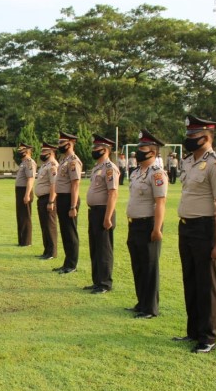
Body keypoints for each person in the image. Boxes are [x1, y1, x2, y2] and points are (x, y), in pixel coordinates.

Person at [174, 115, 216, 354]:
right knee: (191, 280)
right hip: (185, 227)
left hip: (204, 228)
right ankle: (193, 331)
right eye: (187, 136)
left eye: (193, 136)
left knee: (207, 283)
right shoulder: (189, 162)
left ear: (206, 137)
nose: (188, 140)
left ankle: (208, 337)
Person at [126, 130, 168, 318]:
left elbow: (161, 202)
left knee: (150, 266)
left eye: (142, 148)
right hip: (134, 224)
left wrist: (157, 228)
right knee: (138, 265)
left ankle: (150, 308)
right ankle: (141, 302)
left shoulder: (157, 174)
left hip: (148, 224)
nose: (138, 152)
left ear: (152, 152)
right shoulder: (136, 173)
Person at [84, 135, 119, 294]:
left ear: (105, 150)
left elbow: (113, 193)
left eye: (96, 149)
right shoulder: (98, 167)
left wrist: (107, 217)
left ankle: (105, 283)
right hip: (94, 211)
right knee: (95, 247)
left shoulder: (110, 168)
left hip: (104, 211)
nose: (93, 151)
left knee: (104, 248)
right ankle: (97, 281)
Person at [53, 132, 82, 274]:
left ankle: (72, 264)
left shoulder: (73, 161)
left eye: (61, 143)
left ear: (69, 143)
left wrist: (73, 205)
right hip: (62, 198)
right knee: (65, 232)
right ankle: (67, 262)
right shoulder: (64, 160)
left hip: (70, 199)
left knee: (70, 232)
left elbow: (75, 184)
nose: (59, 146)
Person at [34, 142, 58, 259]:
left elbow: (54, 184)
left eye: (44, 152)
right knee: (44, 226)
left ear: (51, 152)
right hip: (41, 199)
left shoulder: (53, 165)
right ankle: (46, 250)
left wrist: (51, 201)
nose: (42, 154)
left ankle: (52, 252)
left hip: (48, 198)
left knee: (50, 225)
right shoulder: (45, 165)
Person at [15, 143, 37, 247]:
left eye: (22, 150)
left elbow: (30, 179)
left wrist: (27, 194)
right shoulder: (23, 162)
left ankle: (26, 241)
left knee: (25, 216)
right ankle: (22, 240)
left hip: (25, 191)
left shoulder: (29, 162)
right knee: (20, 216)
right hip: (20, 190)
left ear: (27, 151)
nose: (19, 151)